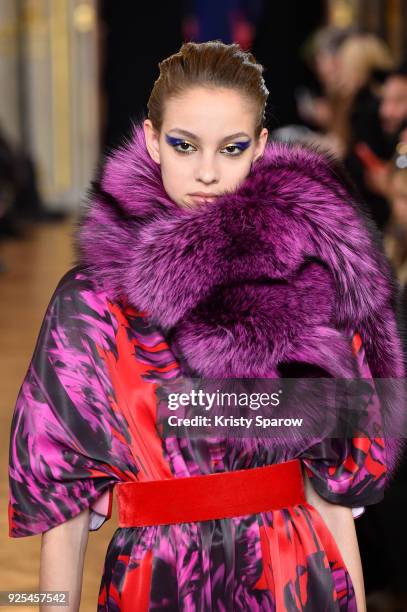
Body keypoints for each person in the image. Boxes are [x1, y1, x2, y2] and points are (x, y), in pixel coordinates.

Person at [8, 41, 405, 611]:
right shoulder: (94, 304)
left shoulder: (312, 291)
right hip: (159, 582)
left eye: (233, 147)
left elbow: (332, 499)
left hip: (294, 578)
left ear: (261, 148)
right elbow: (63, 513)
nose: (209, 172)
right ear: (150, 139)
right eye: (185, 145)